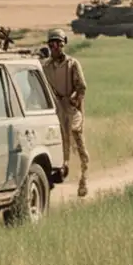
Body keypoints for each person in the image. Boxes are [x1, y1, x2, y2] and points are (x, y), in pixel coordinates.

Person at [42, 28, 89, 196]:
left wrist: (74, 99)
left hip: (70, 106)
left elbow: (82, 87)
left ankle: (84, 176)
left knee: (77, 137)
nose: (55, 47)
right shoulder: (44, 66)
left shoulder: (72, 64)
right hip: (54, 108)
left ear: (63, 44)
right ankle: (60, 170)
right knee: (57, 141)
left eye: (58, 44)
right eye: (52, 44)